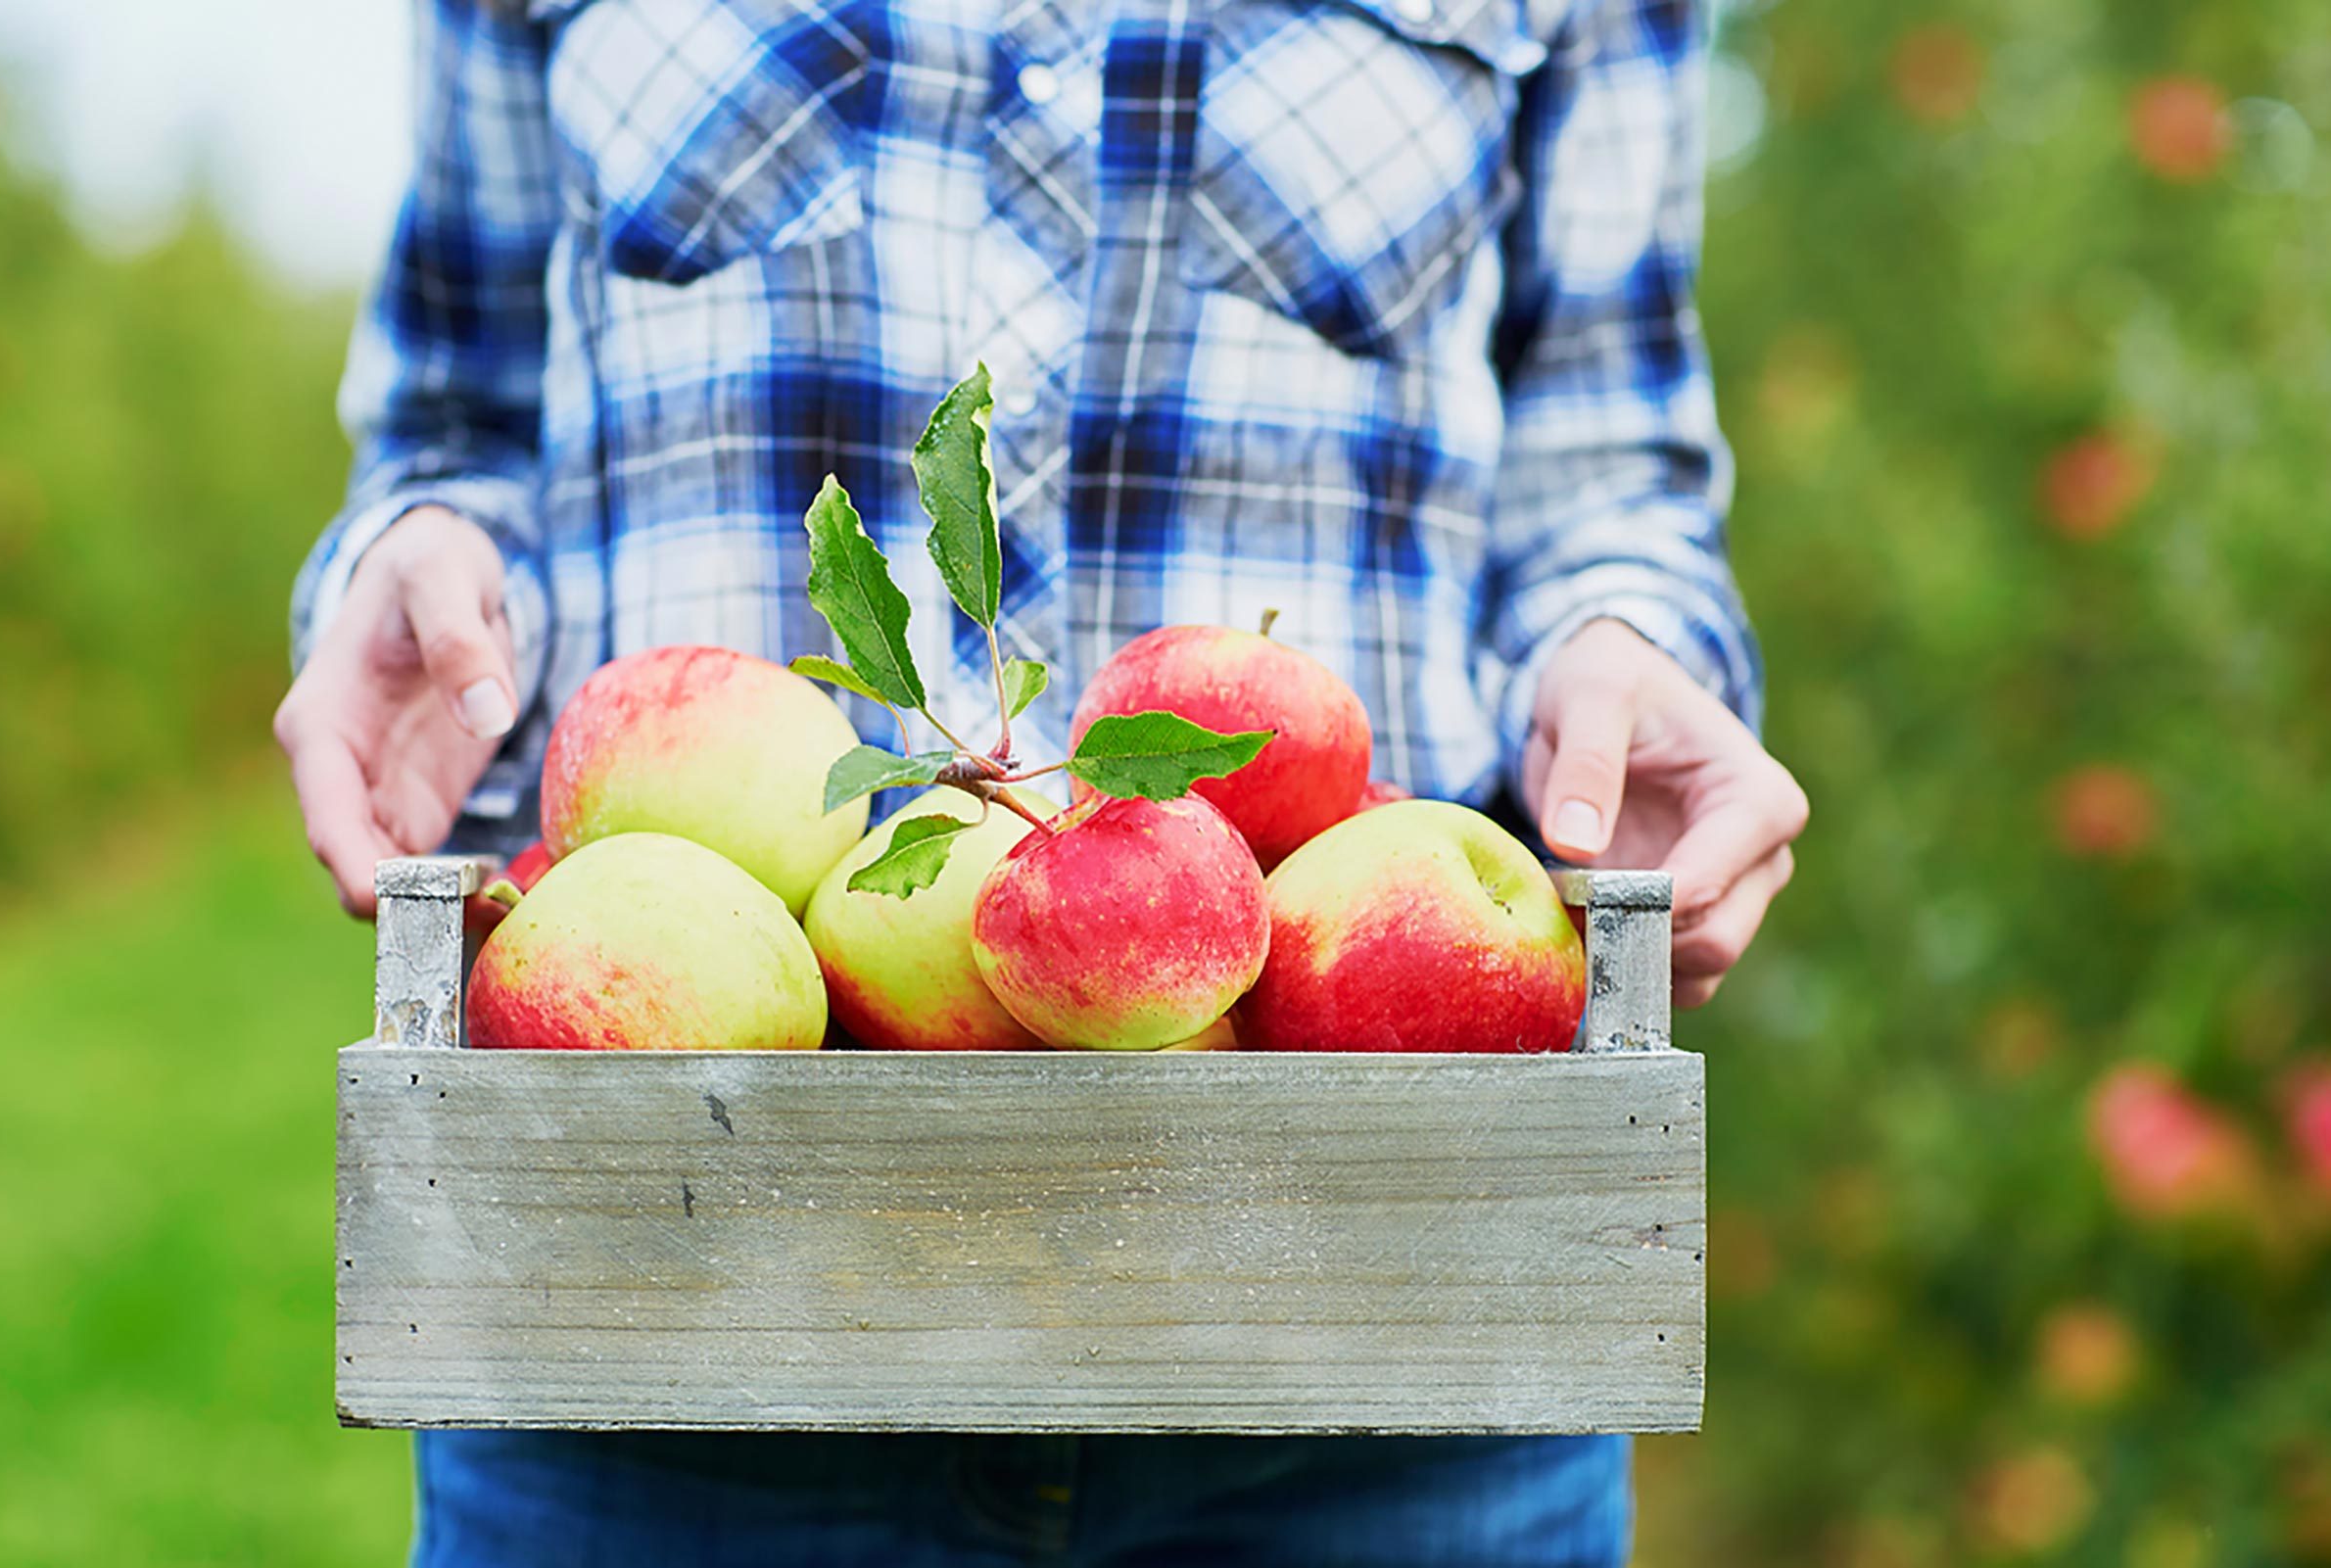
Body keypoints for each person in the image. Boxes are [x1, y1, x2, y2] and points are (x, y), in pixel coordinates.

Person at [276, 0, 1808, 1562]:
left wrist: (1626, 643)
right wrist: (414, 564)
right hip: (657, 1323)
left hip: (1382, 1338)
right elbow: (454, 419)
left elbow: (1605, 467)